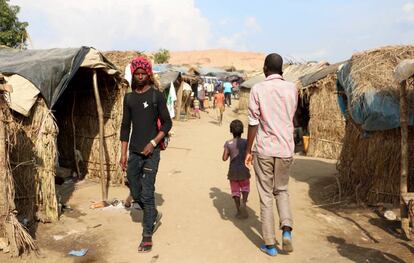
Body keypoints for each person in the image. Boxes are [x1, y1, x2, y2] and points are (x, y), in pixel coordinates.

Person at [244, 53, 298, 256]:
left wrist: (248, 150)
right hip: (285, 149)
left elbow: (253, 122)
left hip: (265, 149)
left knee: (266, 196)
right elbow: (290, 115)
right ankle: (286, 230)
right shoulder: (292, 88)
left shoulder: (258, 89)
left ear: (266, 68)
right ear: (281, 68)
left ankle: (270, 245)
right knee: (282, 190)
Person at [120, 56, 172, 253]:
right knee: (135, 191)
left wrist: (153, 142)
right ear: (133, 75)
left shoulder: (156, 96)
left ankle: (147, 234)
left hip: (152, 153)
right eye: (137, 74)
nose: (140, 77)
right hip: (133, 152)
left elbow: (167, 123)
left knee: (148, 193)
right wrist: (123, 154)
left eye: (144, 74)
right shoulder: (129, 98)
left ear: (148, 75)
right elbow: (125, 127)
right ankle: (153, 214)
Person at [222, 120, 251, 219]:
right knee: (245, 188)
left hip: (233, 172)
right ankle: (244, 202)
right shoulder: (246, 142)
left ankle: (239, 210)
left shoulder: (228, 143)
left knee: (235, 191)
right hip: (244, 170)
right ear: (242, 131)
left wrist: (230, 152)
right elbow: (251, 155)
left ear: (231, 131)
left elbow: (224, 158)